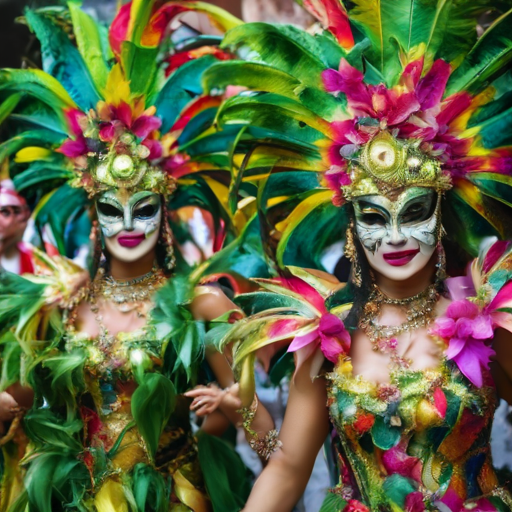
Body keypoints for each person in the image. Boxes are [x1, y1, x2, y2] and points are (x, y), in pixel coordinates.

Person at [200, 1, 512, 510]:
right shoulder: (327, 335)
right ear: (352, 228)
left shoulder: (486, 319)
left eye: (412, 212)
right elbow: (288, 466)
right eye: (373, 217)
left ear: (440, 213)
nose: (394, 236)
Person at [0, 2, 274, 511]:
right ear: (93, 213)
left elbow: (270, 443)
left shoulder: (201, 303)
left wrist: (240, 413)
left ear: (165, 208)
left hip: (175, 496)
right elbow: (15, 400)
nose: (128, 225)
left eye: (142, 207)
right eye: (112, 208)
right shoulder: (62, 301)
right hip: (76, 497)